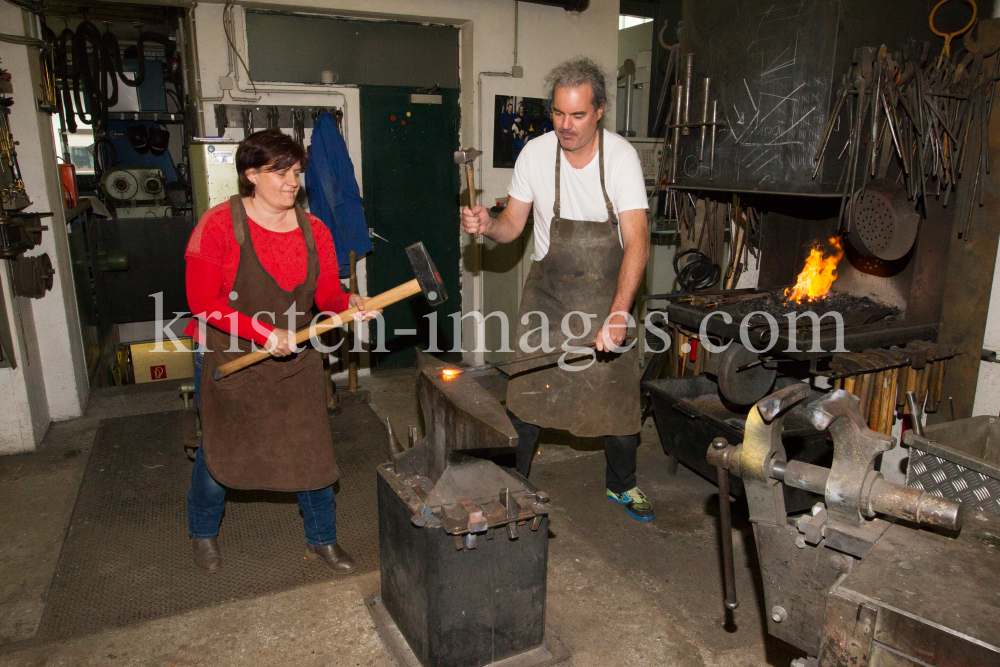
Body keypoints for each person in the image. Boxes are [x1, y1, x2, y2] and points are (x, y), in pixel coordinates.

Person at [460, 58, 652, 521]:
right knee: (525, 395)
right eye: (559, 114)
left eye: (578, 115)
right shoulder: (536, 154)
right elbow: (513, 227)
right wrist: (489, 225)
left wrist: (619, 313)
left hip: (608, 294)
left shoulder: (621, 158)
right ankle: (512, 487)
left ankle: (621, 485)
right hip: (549, 295)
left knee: (619, 404)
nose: (566, 126)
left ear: (600, 110)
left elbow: (639, 244)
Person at [183, 129, 380, 572]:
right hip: (230, 356)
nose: (292, 181)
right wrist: (259, 332)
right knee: (221, 451)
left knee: (310, 449)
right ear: (250, 175)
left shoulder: (315, 231)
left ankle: (322, 539)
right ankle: (202, 532)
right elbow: (202, 303)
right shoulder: (217, 226)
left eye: (295, 172)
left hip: (297, 354)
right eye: (280, 172)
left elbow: (327, 293)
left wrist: (347, 303)